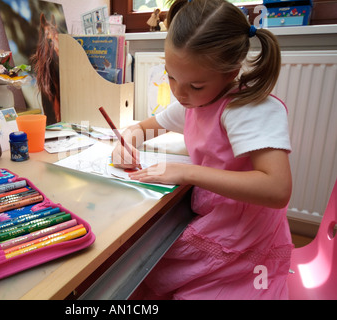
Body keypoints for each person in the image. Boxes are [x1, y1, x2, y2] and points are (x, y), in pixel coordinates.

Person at [112, 0, 293, 300]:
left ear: (231, 70)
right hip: (213, 220)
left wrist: (188, 172)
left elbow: (277, 188)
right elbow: (142, 128)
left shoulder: (249, 110)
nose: (180, 93)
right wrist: (127, 141)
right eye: (171, 76)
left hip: (244, 238)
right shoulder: (193, 102)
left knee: (141, 269)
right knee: (136, 270)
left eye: (195, 85)